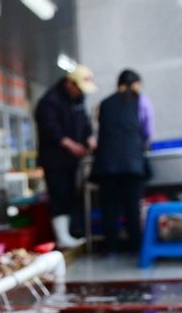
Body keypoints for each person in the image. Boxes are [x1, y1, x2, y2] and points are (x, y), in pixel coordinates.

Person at [90, 69, 155, 254]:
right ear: (136, 84)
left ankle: (111, 247)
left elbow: (99, 128)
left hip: (106, 164)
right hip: (131, 163)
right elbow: (147, 131)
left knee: (109, 208)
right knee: (131, 208)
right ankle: (135, 247)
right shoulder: (142, 100)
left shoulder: (103, 104)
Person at [34, 65, 97, 250]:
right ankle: (62, 237)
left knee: (71, 195)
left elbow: (85, 122)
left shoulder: (77, 99)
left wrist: (90, 138)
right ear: (70, 83)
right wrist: (71, 145)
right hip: (55, 160)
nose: (80, 92)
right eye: (78, 88)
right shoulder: (49, 101)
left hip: (73, 160)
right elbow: (50, 129)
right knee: (59, 195)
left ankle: (71, 233)